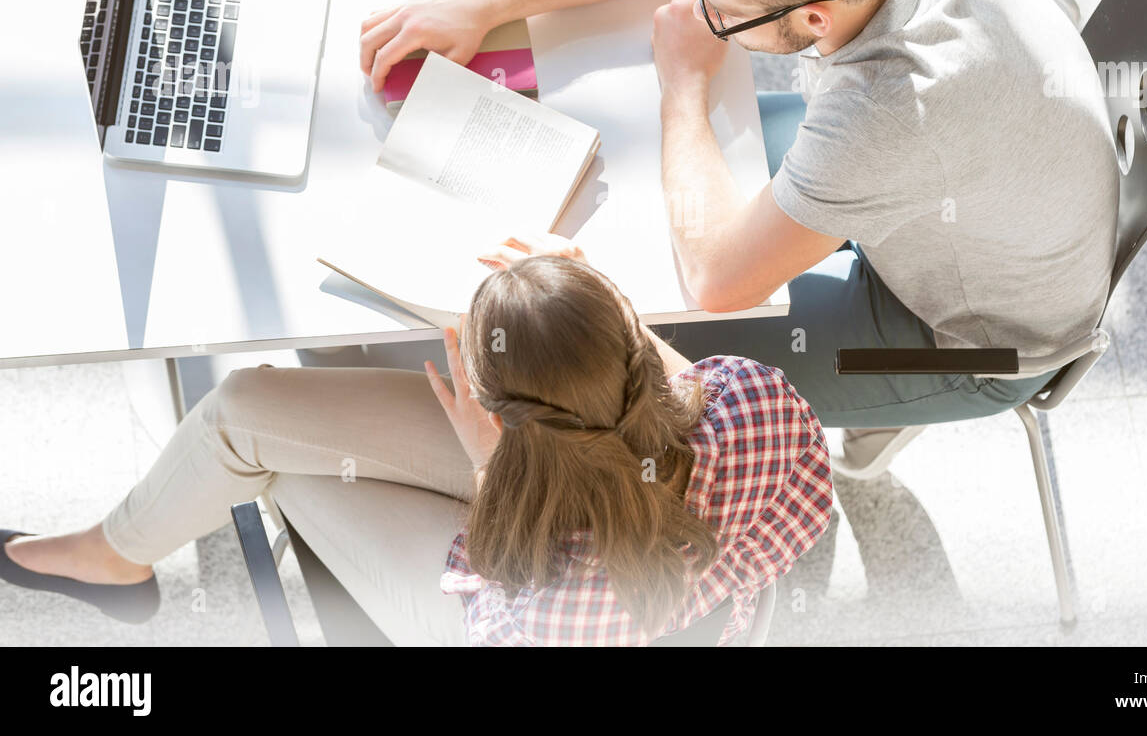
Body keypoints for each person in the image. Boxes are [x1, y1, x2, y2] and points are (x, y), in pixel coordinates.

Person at [357, 0, 1119, 476]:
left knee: (627, 355)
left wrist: (684, 82)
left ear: (814, 18)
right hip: (972, 197)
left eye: (720, 12)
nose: (699, 13)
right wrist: (480, 4)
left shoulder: (889, 112)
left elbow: (719, 280)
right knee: (642, 194)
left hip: (968, 342)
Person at [1, 236, 833, 645]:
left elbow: (495, 604)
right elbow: (688, 407)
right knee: (251, 406)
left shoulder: (556, 619)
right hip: (590, 517)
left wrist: (482, 463)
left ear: (496, 407)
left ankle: (116, 559)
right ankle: (115, 550)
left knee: (283, 466)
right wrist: (573, 308)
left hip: (525, 602)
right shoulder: (756, 396)